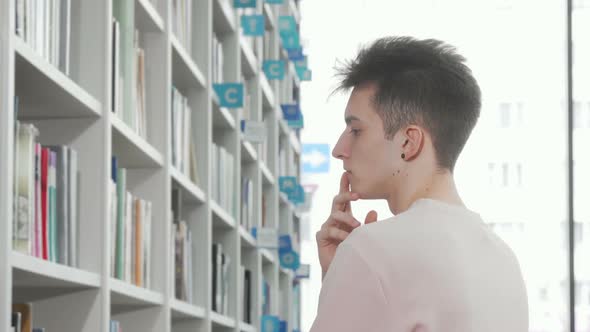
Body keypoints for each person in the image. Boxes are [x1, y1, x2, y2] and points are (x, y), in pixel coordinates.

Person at [311, 36, 529, 332]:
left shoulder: (371, 251)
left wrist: (342, 277)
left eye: (356, 130)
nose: (339, 148)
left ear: (408, 142)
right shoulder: (504, 261)